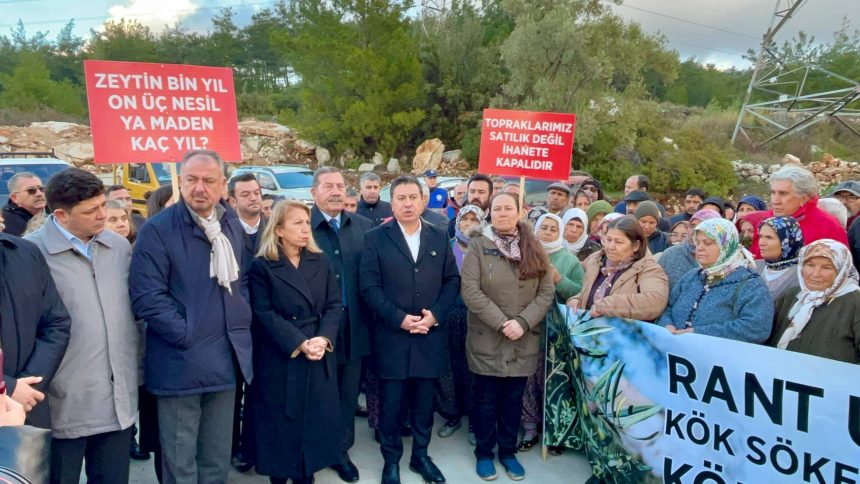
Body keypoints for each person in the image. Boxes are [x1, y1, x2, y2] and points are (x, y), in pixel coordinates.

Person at [130, 150, 253, 484]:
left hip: (226, 359)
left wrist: (240, 320)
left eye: (208, 180)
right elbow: (147, 298)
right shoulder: (158, 230)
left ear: (223, 185)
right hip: (180, 364)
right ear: (180, 182)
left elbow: (241, 280)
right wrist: (188, 334)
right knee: (180, 462)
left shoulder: (229, 223)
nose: (200, 188)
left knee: (216, 459)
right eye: (191, 179)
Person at [26, 168, 140, 483]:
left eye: (103, 205)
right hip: (61, 404)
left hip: (118, 401)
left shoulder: (118, 247)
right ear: (61, 215)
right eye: (91, 211)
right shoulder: (31, 253)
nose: (103, 215)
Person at [360, 176, 460, 484]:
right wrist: (400, 319)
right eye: (400, 198)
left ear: (423, 201)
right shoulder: (375, 238)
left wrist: (435, 316)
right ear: (392, 203)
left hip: (429, 336)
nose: (407, 203)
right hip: (392, 336)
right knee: (391, 405)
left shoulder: (439, 235)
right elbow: (369, 287)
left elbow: (452, 281)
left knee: (424, 404)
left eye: (412, 197)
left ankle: (421, 456)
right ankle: (391, 460)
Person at [247, 200, 343, 484]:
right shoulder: (262, 266)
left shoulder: (320, 261)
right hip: (280, 354)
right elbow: (263, 313)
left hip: (317, 350)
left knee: (313, 418)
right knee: (280, 421)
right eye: (297, 223)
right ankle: (279, 474)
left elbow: (334, 304)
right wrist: (299, 342)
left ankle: (307, 472)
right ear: (278, 230)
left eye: (307, 222)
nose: (305, 229)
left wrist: (323, 338)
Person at [460, 192, 554, 481]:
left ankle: (508, 452)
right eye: (497, 208)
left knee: (513, 400)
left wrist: (523, 322)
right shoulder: (478, 245)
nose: (502, 213)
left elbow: (546, 292)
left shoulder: (534, 246)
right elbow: (471, 291)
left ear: (519, 212)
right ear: (490, 213)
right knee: (486, 399)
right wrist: (503, 323)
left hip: (522, 339)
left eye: (508, 208)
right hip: (488, 336)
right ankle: (484, 453)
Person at [308, 166, 374, 483]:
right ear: (314, 193)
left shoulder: (362, 226)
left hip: (355, 326)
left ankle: (339, 451)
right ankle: (313, 450)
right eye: (328, 186)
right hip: (315, 330)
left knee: (347, 395)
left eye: (340, 185)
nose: (336, 191)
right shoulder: (301, 227)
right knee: (317, 394)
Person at [518, 213, 583, 453]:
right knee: (528, 382)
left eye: (553, 229)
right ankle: (529, 428)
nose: (547, 232)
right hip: (528, 329)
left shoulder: (570, 260)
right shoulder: (525, 254)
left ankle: (555, 432)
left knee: (555, 383)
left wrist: (559, 279)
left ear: (560, 233)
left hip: (557, 334)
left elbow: (580, 293)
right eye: (543, 227)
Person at [658, 218, 773, 342]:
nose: (699, 248)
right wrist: (667, 325)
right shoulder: (692, 277)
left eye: (708, 243)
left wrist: (697, 333)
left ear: (726, 245)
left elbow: (757, 328)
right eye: (698, 242)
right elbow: (668, 307)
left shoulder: (751, 284)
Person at [0, 231, 70, 430]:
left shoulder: (25, 252)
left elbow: (56, 323)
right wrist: (8, 387)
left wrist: (30, 385)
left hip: (29, 403)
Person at [226, 172, 266, 472]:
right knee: (231, 392)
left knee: (259, 392)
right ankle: (230, 447)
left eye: (257, 192)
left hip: (266, 326)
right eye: (246, 194)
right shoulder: (222, 233)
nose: (253, 198)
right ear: (232, 200)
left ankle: (253, 448)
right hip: (233, 325)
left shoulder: (273, 229)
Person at [436, 205, 485, 441]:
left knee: (474, 368)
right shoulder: (446, 246)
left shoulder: (486, 247)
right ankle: (452, 414)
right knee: (449, 367)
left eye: (474, 219)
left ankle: (475, 420)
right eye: (465, 219)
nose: (468, 223)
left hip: (477, 317)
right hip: (448, 315)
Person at [768, 239, 860, 364]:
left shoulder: (855, 301)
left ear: (841, 271)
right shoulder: (792, 296)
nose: (816, 274)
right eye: (810, 265)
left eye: (826, 267)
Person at [566, 216, 668, 322]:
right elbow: (587, 290)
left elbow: (655, 301)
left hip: (622, 331)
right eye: (608, 240)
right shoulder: (595, 260)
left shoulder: (648, 268)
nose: (610, 247)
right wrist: (577, 299)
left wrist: (607, 305)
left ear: (636, 246)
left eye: (618, 242)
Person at [752, 167, 848, 258]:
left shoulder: (828, 226)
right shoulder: (766, 221)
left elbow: (841, 264)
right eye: (773, 193)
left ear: (804, 198)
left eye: (783, 194)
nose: (775, 201)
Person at [658, 210, 722, 292]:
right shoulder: (670, 254)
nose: (695, 230)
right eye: (692, 225)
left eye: (703, 225)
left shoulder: (723, 260)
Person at [755, 216, 803, 301]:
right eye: (761, 236)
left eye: (769, 237)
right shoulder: (753, 267)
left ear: (788, 241)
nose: (761, 243)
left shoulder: (802, 275)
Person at [448, 174, 493, 238]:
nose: (475, 196)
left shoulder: (495, 223)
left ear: (490, 195)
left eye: (481, 192)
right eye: (472, 191)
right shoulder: (453, 224)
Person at [3, 172, 47, 236]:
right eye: (31, 190)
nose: (39, 194)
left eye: (41, 188)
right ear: (15, 197)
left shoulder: (55, 208)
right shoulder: (6, 222)